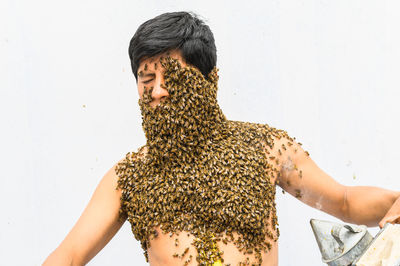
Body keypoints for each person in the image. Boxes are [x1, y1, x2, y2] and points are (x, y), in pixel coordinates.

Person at [43, 11, 400, 266]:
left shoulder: (265, 148)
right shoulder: (128, 178)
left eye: (173, 77)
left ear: (209, 79)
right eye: (146, 80)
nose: (158, 92)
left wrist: (395, 203)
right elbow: (70, 255)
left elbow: (345, 201)